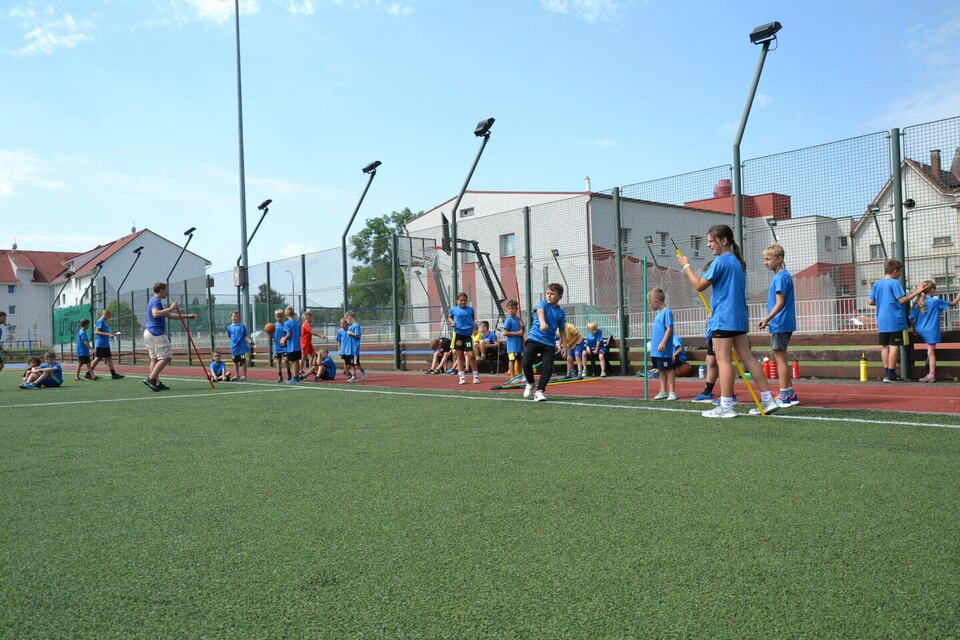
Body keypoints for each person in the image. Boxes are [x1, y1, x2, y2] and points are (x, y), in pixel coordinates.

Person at [677, 224, 780, 418]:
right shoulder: (738, 262)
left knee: (723, 360)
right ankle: (768, 399)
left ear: (724, 241)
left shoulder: (721, 261)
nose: (708, 245)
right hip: (738, 317)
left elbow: (699, 285)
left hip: (723, 318)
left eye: (711, 241)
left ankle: (726, 406)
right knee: (748, 357)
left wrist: (686, 265)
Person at [869, 259, 928, 383]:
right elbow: (902, 300)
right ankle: (891, 374)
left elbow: (871, 301)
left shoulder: (877, 284)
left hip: (882, 319)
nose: (900, 274)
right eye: (900, 271)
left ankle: (886, 373)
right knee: (894, 346)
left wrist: (884, 302)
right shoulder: (894, 283)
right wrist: (917, 292)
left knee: (884, 347)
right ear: (895, 271)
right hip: (894, 319)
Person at [757, 245, 797, 407]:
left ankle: (784, 395)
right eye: (764, 259)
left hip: (780, 322)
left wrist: (767, 318)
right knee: (780, 357)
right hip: (783, 322)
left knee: (780, 359)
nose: (765, 262)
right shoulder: (784, 276)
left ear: (779, 259)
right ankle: (790, 393)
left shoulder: (780, 277)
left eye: (768, 259)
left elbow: (780, 302)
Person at [143, 282, 196, 392]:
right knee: (166, 358)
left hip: (149, 332)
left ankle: (156, 382)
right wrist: (171, 307)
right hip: (156, 333)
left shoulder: (154, 300)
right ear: (161, 290)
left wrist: (186, 316)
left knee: (154, 359)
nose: (168, 292)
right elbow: (156, 314)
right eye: (166, 290)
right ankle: (151, 379)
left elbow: (169, 315)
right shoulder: (156, 301)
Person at [522, 283, 568, 402]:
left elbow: (562, 330)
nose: (549, 296)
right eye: (547, 293)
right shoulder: (542, 304)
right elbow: (540, 313)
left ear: (560, 297)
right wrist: (542, 323)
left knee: (548, 367)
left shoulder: (560, 313)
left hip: (549, 343)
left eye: (552, 294)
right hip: (534, 338)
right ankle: (530, 383)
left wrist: (564, 345)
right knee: (526, 363)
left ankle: (539, 391)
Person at [909, 280, 960, 382]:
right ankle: (931, 375)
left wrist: (914, 329)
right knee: (931, 352)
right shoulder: (936, 302)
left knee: (929, 350)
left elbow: (911, 318)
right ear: (932, 290)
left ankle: (928, 360)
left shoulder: (917, 303)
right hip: (931, 331)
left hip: (919, 330)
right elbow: (953, 303)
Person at [648, 288, 677, 401]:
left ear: (656, 301)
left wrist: (663, 342)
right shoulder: (659, 314)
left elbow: (669, 328)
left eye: (650, 303)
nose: (650, 305)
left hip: (664, 349)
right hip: (657, 350)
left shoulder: (667, 312)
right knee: (661, 369)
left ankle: (672, 392)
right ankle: (663, 391)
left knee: (668, 369)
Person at [449, 292, 480, 385]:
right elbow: (449, 317)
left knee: (471, 355)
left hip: (467, 336)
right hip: (458, 335)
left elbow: (472, 318)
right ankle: (462, 377)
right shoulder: (454, 310)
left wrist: (470, 327)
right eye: (461, 300)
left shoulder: (470, 309)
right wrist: (452, 322)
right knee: (460, 356)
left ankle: (475, 376)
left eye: (465, 300)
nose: (463, 302)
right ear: (457, 301)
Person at [90, 308, 124, 380]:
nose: (109, 317)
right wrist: (108, 334)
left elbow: (104, 332)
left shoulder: (104, 321)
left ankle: (113, 374)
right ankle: (89, 373)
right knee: (98, 358)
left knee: (109, 358)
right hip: (101, 344)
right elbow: (96, 332)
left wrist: (112, 335)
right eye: (109, 315)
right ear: (106, 314)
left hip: (105, 344)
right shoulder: (100, 321)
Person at [227, 310, 253, 381]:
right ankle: (237, 375)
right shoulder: (229, 327)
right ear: (231, 317)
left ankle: (244, 375)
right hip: (234, 348)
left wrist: (250, 342)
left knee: (243, 361)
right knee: (235, 362)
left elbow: (245, 336)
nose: (236, 318)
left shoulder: (242, 326)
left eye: (237, 317)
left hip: (242, 348)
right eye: (234, 316)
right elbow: (230, 336)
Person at [501, 300, 524, 377]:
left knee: (519, 360)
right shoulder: (508, 320)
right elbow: (505, 332)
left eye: (513, 308)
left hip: (519, 345)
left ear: (517, 309)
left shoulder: (519, 320)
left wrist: (522, 326)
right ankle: (512, 377)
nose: (511, 310)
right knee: (512, 360)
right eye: (509, 309)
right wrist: (518, 333)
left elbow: (522, 332)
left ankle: (520, 376)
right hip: (512, 346)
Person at [281, 306, 303, 383]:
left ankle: (295, 377)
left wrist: (284, 339)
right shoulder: (297, 323)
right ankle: (296, 377)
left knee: (293, 362)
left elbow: (289, 334)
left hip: (292, 346)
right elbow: (300, 334)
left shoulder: (287, 323)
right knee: (296, 362)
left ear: (286, 314)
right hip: (298, 345)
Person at [344, 311, 366, 381]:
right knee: (352, 363)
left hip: (354, 349)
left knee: (356, 363)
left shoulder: (356, 326)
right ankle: (354, 376)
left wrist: (351, 333)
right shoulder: (350, 326)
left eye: (347, 319)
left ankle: (362, 371)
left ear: (350, 318)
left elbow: (358, 336)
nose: (347, 322)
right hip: (350, 349)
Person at [336, 318, 357, 382]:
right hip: (343, 349)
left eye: (343, 324)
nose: (342, 325)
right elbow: (339, 341)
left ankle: (346, 371)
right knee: (345, 362)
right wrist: (339, 350)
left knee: (351, 363)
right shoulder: (339, 331)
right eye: (341, 324)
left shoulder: (350, 329)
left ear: (347, 324)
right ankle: (348, 374)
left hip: (350, 349)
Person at [272, 309, 289, 382]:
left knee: (286, 360)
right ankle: (280, 376)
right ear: (275, 317)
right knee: (278, 361)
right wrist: (269, 333)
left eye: (280, 316)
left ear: (283, 316)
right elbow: (272, 336)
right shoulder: (273, 326)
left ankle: (289, 374)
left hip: (285, 346)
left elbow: (288, 334)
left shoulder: (285, 325)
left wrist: (285, 340)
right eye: (277, 316)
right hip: (277, 347)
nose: (279, 318)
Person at [0, 310, 6, 374]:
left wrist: (2, 350)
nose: (5, 319)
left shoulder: (0, 330)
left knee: (1, 365)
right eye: (3, 318)